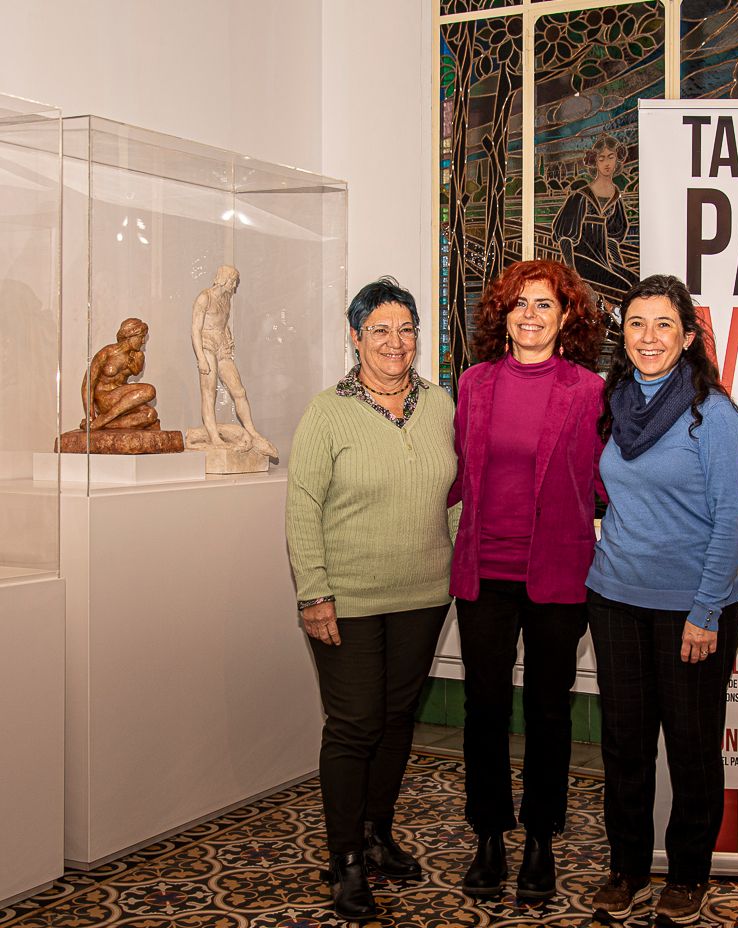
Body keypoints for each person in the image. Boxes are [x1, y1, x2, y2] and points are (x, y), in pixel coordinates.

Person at [285, 277, 456, 922]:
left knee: (396, 719)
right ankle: (346, 857)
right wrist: (314, 592)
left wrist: (462, 568)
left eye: (406, 329)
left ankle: (379, 832)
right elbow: (302, 506)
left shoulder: (440, 406)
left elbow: (455, 494)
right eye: (380, 330)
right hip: (347, 599)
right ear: (356, 338)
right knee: (355, 724)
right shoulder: (326, 413)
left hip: (424, 594)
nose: (395, 342)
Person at [586, 274, 738, 925]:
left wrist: (706, 611)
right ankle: (627, 867)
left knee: (691, 747)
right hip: (614, 599)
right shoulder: (613, 404)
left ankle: (686, 875)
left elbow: (731, 521)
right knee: (624, 745)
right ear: (622, 335)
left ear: (686, 338)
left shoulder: (714, 415)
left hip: (693, 610)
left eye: (663, 325)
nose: (648, 337)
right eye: (636, 324)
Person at [449, 258, 606, 902]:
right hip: (484, 572)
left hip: (558, 573)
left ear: (566, 317)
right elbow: (456, 470)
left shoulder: (589, 391)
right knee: (483, 708)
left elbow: (605, 482)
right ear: (503, 315)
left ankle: (541, 838)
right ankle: (488, 834)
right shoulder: (474, 384)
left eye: (545, 304)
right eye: (520, 303)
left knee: (548, 709)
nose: (531, 315)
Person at [190, 264, 278, 458]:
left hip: (222, 346)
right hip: (207, 344)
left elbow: (223, 323)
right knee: (209, 392)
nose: (235, 285)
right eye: (233, 282)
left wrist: (228, 336)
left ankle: (251, 430)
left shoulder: (226, 299)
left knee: (239, 391)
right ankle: (214, 436)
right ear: (225, 280)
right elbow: (195, 329)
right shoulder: (205, 297)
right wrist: (201, 357)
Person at [552, 135, 638, 307]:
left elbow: (612, 241)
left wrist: (619, 267)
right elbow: (565, 239)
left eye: (611, 157)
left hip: (603, 260)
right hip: (581, 261)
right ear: (595, 162)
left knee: (635, 282)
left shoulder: (616, 197)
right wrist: (572, 274)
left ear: (617, 160)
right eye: (601, 158)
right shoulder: (581, 197)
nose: (607, 163)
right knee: (624, 288)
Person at [80, 317, 159, 430]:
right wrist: (90, 416)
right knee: (150, 390)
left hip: (123, 400)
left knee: (151, 415)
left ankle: (105, 424)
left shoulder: (138, 356)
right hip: (104, 399)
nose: (143, 341)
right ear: (129, 336)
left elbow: (136, 371)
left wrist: (134, 364)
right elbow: (88, 385)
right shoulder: (107, 353)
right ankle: (104, 419)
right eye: (141, 337)